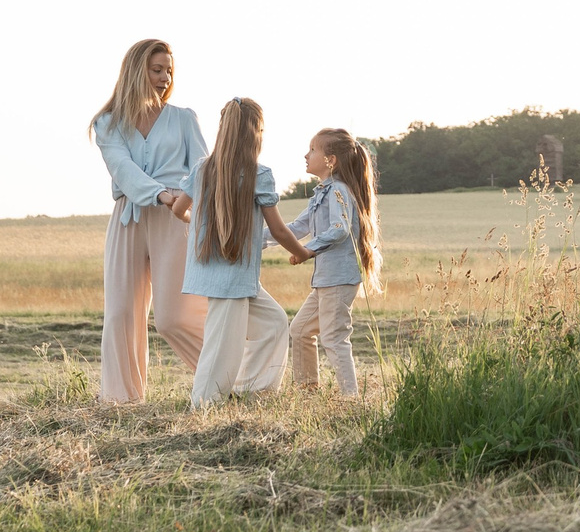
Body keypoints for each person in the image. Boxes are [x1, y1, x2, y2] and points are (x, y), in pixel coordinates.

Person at [89, 38, 207, 403]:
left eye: (168, 70)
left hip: (176, 217)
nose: (164, 78)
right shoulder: (108, 124)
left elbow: (203, 170)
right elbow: (122, 169)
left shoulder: (184, 119)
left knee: (175, 315)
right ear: (136, 71)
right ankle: (122, 401)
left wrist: (181, 201)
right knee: (122, 312)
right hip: (128, 216)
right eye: (157, 70)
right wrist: (160, 194)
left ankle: (230, 375)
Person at [184, 96, 307, 405]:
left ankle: (252, 391)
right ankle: (204, 404)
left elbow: (176, 208)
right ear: (256, 133)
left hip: (230, 275)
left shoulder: (201, 170)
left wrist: (201, 223)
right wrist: (303, 252)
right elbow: (278, 229)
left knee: (274, 323)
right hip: (233, 277)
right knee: (222, 345)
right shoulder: (258, 174)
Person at [285, 127, 382, 396]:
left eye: (312, 150)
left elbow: (340, 228)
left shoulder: (339, 190)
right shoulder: (322, 193)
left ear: (331, 160)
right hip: (326, 280)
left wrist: (308, 251)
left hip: (339, 278)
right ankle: (307, 391)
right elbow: (294, 228)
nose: (306, 155)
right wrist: (254, 239)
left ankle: (351, 399)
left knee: (334, 338)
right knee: (300, 330)